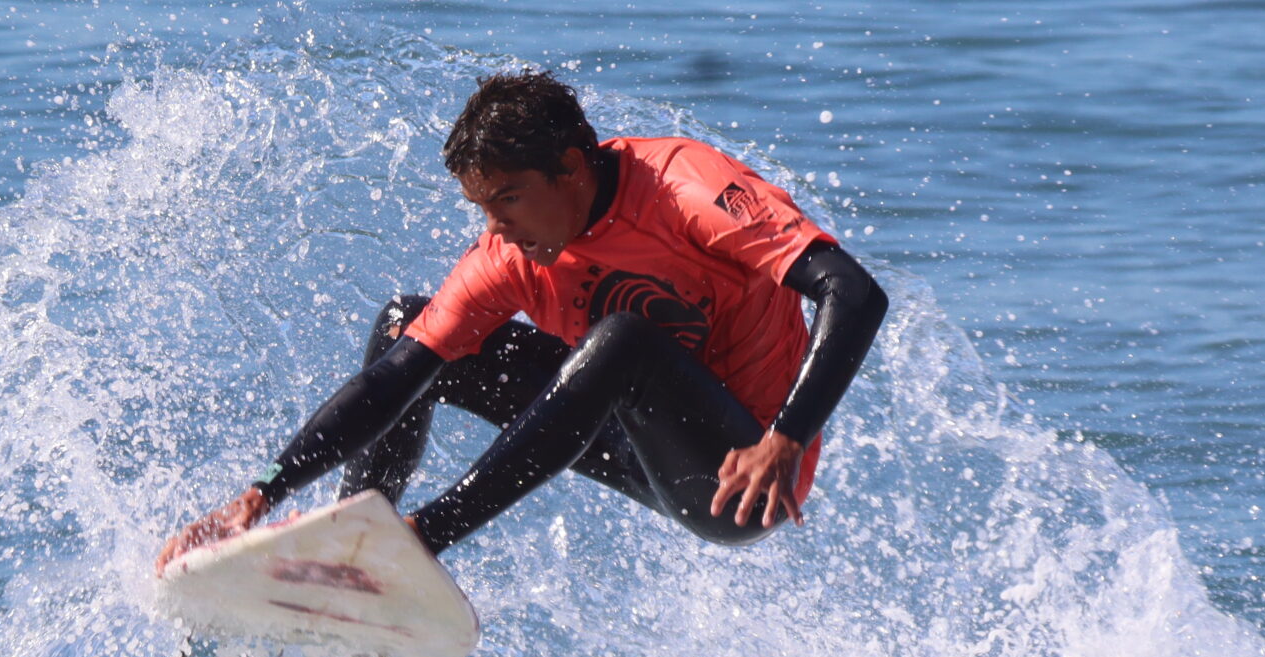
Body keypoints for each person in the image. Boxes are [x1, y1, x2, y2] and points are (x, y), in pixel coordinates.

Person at [155, 69, 889, 569]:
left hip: (741, 477)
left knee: (623, 342)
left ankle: (419, 539)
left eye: (507, 199)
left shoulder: (683, 190)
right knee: (406, 324)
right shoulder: (509, 254)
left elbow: (853, 292)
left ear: (571, 167)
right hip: (620, 434)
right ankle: (351, 547)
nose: (496, 229)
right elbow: (395, 379)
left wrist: (786, 438)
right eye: (482, 207)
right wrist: (263, 491)